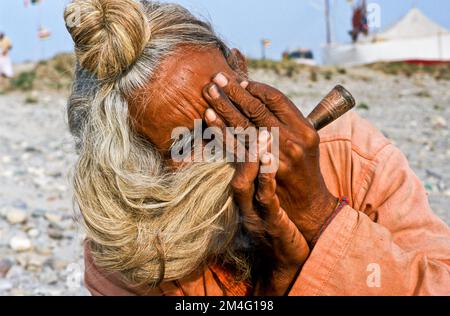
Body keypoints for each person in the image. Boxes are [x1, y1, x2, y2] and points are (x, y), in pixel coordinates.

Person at [64, 0, 450, 296]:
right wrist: (280, 281)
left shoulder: (352, 157)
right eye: (190, 145)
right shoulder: (130, 249)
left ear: (240, 70)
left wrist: (320, 216)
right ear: (141, 166)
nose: (230, 145)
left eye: (229, 108)